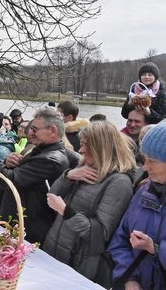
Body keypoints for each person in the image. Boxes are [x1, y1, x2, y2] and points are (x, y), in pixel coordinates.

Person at [42, 121, 136, 287]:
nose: (80, 150)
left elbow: (99, 235)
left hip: (78, 263)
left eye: (85, 145)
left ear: (101, 147)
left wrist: (66, 211)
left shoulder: (119, 183)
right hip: (54, 249)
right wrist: (69, 175)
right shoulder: (85, 166)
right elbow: (52, 196)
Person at [0, 108, 70, 244]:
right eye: (31, 128)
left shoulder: (51, 160)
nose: (30, 132)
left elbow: (10, 181)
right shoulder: (41, 151)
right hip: (17, 225)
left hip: (27, 232)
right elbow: (16, 175)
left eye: (35, 129)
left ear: (53, 131)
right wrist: (8, 163)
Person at [108, 123, 166, 290]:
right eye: (144, 158)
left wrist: (155, 249)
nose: (145, 167)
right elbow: (120, 239)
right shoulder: (143, 192)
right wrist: (129, 279)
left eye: (152, 161)